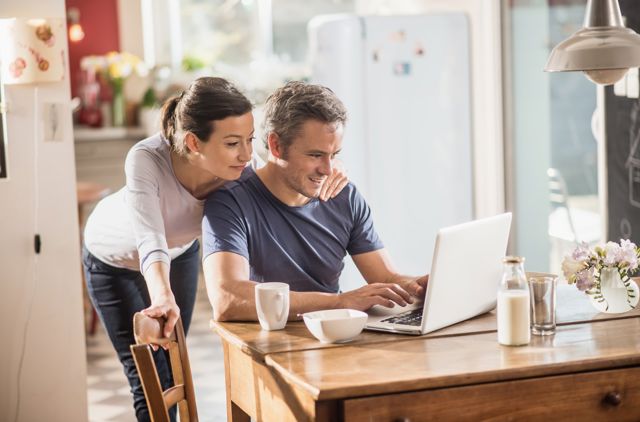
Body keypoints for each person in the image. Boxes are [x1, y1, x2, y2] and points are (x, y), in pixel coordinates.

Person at [82, 77, 347, 421]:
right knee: (150, 381)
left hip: (179, 255)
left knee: (174, 368)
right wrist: (162, 296)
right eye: (233, 143)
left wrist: (329, 172)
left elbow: (282, 174)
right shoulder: (146, 159)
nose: (247, 154)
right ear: (194, 142)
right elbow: (151, 238)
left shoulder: (240, 170)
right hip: (112, 261)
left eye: (250, 140)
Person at [202, 81, 428, 321]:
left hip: (336, 340)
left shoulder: (345, 197)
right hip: (267, 345)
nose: (328, 169)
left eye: (334, 155)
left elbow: (386, 278)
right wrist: (340, 302)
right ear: (276, 146)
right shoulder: (230, 202)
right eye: (315, 155)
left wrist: (420, 287)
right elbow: (227, 299)